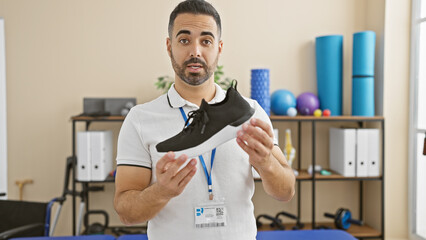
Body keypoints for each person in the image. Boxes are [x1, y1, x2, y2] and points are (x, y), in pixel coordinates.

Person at [114, 1, 295, 239]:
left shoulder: (249, 113)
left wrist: (266, 163)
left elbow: (286, 191)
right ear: (169, 46)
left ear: (219, 48)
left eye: (206, 41)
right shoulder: (140, 119)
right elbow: (126, 213)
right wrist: (161, 191)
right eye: (184, 40)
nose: (195, 51)